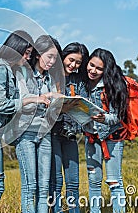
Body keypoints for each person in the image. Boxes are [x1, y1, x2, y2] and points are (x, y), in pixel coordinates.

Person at [0, 30, 51, 213]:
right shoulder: (1, 70)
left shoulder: (8, 70)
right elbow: (1, 105)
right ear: (14, 49)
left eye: (30, 54)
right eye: (26, 52)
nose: (27, 57)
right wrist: (33, 100)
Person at [14, 35, 64, 213]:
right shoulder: (23, 73)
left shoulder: (49, 79)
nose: (52, 62)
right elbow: (21, 99)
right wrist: (46, 97)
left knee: (44, 189)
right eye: (49, 57)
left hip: (45, 133)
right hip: (25, 133)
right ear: (38, 54)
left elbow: (50, 106)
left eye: (55, 59)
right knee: (30, 187)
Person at [82, 48, 128, 213]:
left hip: (113, 138)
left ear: (105, 70)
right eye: (91, 65)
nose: (93, 71)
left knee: (114, 181)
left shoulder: (112, 86)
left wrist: (104, 119)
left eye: (99, 68)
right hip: (91, 138)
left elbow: (118, 116)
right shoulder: (83, 84)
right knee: (94, 181)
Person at [49, 42, 89, 213]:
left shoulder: (78, 80)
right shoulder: (51, 76)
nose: (73, 65)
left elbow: (85, 104)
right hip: (52, 133)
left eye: (78, 63)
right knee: (56, 181)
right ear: (63, 57)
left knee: (73, 181)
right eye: (71, 60)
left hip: (70, 135)